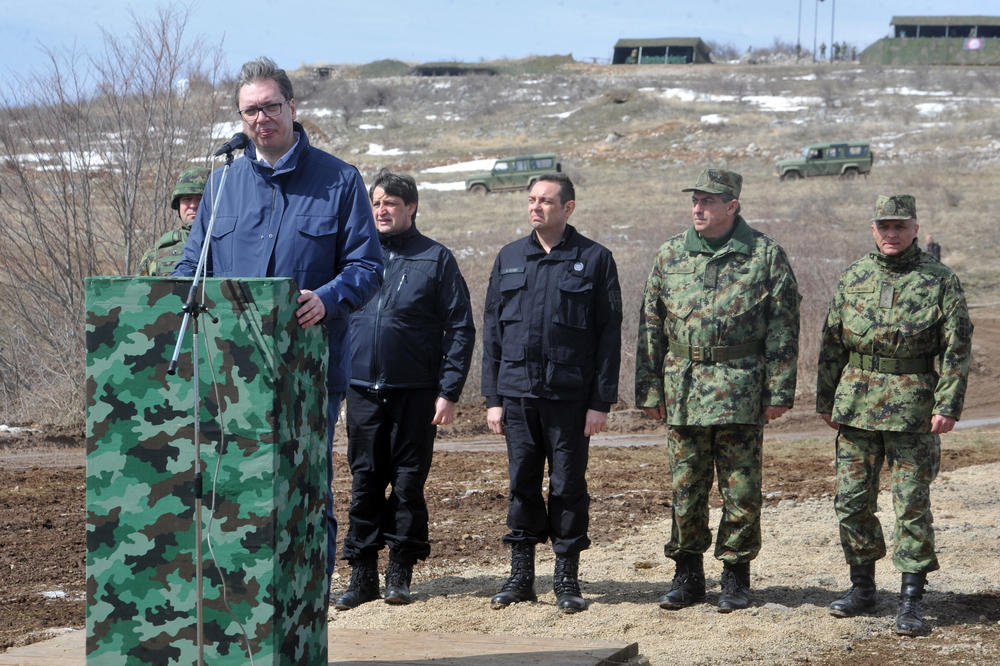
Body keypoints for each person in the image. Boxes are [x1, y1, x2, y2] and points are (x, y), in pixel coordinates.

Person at [173, 56, 383, 603]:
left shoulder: (339, 180)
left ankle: (305, 616)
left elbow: (367, 267)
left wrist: (328, 298)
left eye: (270, 106)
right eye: (250, 110)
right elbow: (188, 270)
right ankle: (240, 615)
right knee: (232, 491)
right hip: (229, 370)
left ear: (292, 108)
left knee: (305, 491)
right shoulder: (222, 186)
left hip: (307, 366)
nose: (260, 118)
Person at [635, 168, 800, 613]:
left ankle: (735, 576)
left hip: (741, 389)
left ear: (733, 205)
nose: (698, 208)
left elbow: (783, 327)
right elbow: (651, 324)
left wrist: (779, 391)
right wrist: (649, 390)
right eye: (695, 200)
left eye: (709, 200)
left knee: (741, 489)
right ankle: (687, 574)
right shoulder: (670, 254)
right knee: (685, 488)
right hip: (684, 389)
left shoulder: (764, 255)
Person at [817, 194, 973, 636]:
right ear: (873, 229)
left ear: (915, 229)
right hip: (857, 408)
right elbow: (832, 342)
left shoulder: (939, 279)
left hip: (914, 411)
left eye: (900, 226)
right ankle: (862, 588)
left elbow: (957, 349)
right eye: (884, 226)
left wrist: (947, 405)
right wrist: (826, 401)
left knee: (911, 506)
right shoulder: (855, 275)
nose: (892, 234)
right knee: (851, 503)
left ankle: (910, 599)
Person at [334, 170, 475, 610]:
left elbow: (460, 328)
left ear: (411, 207)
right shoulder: (356, 257)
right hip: (360, 390)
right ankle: (362, 575)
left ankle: (400, 570)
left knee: (408, 485)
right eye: (376, 202)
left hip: (416, 392)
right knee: (364, 483)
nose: (381, 209)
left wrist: (449, 391)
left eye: (391, 202)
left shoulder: (436, 259)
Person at [482, 173, 622, 614]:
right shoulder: (509, 258)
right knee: (522, 483)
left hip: (570, 398)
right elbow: (492, 335)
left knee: (567, 486)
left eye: (545, 201)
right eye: (531, 200)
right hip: (518, 395)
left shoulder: (595, 259)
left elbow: (608, 337)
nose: (536, 207)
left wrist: (600, 402)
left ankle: (566, 577)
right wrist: (493, 398)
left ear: (568, 208)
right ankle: (521, 576)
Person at [137, 167, 209, 276]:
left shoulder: (227, 247)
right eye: (187, 199)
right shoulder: (157, 253)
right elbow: (139, 291)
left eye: (200, 199)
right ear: (178, 205)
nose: (193, 205)